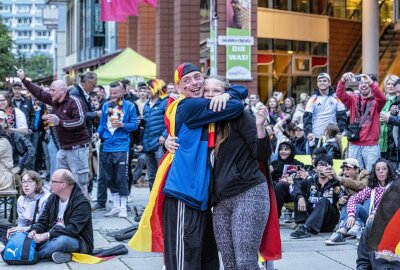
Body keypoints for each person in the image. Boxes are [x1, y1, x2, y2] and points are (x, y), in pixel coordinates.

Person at [131, 63, 247, 270]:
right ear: (179, 88)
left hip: (198, 193)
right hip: (183, 192)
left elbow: (243, 91)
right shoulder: (190, 106)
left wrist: (228, 93)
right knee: (184, 258)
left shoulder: (193, 104)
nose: (195, 83)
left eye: (197, 77)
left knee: (205, 256)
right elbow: (238, 105)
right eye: (187, 80)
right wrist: (229, 96)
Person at [200, 76, 271, 269]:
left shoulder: (240, 115)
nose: (210, 94)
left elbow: (262, 154)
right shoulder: (203, 120)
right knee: (230, 264)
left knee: (245, 263)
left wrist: (260, 127)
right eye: (207, 90)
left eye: (216, 91)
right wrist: (166, 141)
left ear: (226, 93)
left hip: (248, 192)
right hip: (221, 201)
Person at [17, 69, 91, 197]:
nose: (49, 92)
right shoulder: (53, 100)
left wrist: (59, 121)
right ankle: (64, 212)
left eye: (52, 90)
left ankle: (82, 215)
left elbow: (80, 121)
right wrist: (24, 79)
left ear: (63, 91)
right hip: (63, 149)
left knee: (80, 183)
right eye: (49, 90)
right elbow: (39, 92)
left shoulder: (74, 102)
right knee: (61, 183)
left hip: (77, 149)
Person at [28, 169, 93, 263]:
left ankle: (31, 255)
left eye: (53, 181)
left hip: (77, 241)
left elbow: (73, 230)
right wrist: (35, 230)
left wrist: (47, 235)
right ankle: (66, 255)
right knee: (28, 235)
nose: (49, 184)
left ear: (63, 185)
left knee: (62, 241)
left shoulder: (82, 203)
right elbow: (43, 221)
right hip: (53, 236)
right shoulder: (53, 198)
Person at [93, 82, 138, 217]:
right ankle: (116, 205)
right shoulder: (106, 106)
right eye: (110, 93)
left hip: (121, 146)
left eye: (115, 93)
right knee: (109, 177)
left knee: (121, 177)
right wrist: (98, 134)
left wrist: (122, 124)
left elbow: (135, 125)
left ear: (122, 92)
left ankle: (123, 206)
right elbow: (102, 125)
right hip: (106, 146)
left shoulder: (130, 106)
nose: (112, 96)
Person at [337, 73, 386, 171]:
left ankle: (369, 187)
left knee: (371, 173)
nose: (363, 85)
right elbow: (340, 94)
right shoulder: (353, 98)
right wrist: (343, 80)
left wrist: (371, 83)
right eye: (361, 83)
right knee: (353, 174)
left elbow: (382, 98)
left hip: (370, 146)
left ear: (371, 85)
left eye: (366, 83)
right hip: (354, 144)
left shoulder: (377, 101)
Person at [290, 154, 342, 238]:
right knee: (298, 193)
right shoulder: (310, 181)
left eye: (325, 166)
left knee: (324, 200)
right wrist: (300, 197)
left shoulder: (336, 182)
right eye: (320, 166)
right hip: (310, 218)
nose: (322, 169)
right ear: (315, 168)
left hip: (327, 222)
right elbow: (294, 187)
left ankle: (306, 229)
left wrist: (333, 180)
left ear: (330, 167)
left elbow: (343, 196)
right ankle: (305, 225)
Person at [325, 158, 369, 245]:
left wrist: (340, 179)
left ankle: (354, 228)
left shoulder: (366, 175)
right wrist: (340, 202)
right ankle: (342, 231)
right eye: (343, 170)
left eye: (348, 169)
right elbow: (338, 204)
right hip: (350, 216)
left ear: (356, 170)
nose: (345, 172)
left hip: (367, 217)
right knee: (348, 202)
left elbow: (361, 186)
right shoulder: (343, 178)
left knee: (354, 202)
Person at [303, 73, 347, 145]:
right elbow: (307, 118)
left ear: (329, 83)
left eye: (324, 81)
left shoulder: (336, 98)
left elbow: (342, 117)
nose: (322, 83)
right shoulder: (312, 99)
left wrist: (340, 132)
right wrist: (308, 132)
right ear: (317, 84)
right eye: (320, 81)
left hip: (332, 136)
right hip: (316, 136)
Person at [142, 79, 168, 190]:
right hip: (148, 145)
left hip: (159, 145)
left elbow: (171, 121)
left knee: (162, 175)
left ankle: (163, 204)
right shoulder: (146, 105)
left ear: (156, 88)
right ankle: (152, 203)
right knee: (151, 176)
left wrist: (164, 135)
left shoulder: (165, 102)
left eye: (149, 89)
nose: (146, 91)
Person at [7, 171, 50, 237]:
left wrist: (24, 229)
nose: (26, 185)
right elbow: (21, 223)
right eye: (23, 182)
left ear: (37, 184)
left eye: (29, 181)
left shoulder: (46, 198)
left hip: (43, 233)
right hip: (27, 231)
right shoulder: (21, 199)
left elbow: (45, 224)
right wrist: (16, 231)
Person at [378, 75, 400, 160]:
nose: (391, 86)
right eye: (388, 84)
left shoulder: (398, 100)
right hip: (378, 138)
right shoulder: (379, 99)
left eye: (393, 84)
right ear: (385, 85)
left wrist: (391, 116)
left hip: (393, 140)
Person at [0, 110, 14, 191]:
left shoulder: (3, 142)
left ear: (5, 123)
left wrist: (19, 167)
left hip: (3, 180)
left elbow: (29, 150)